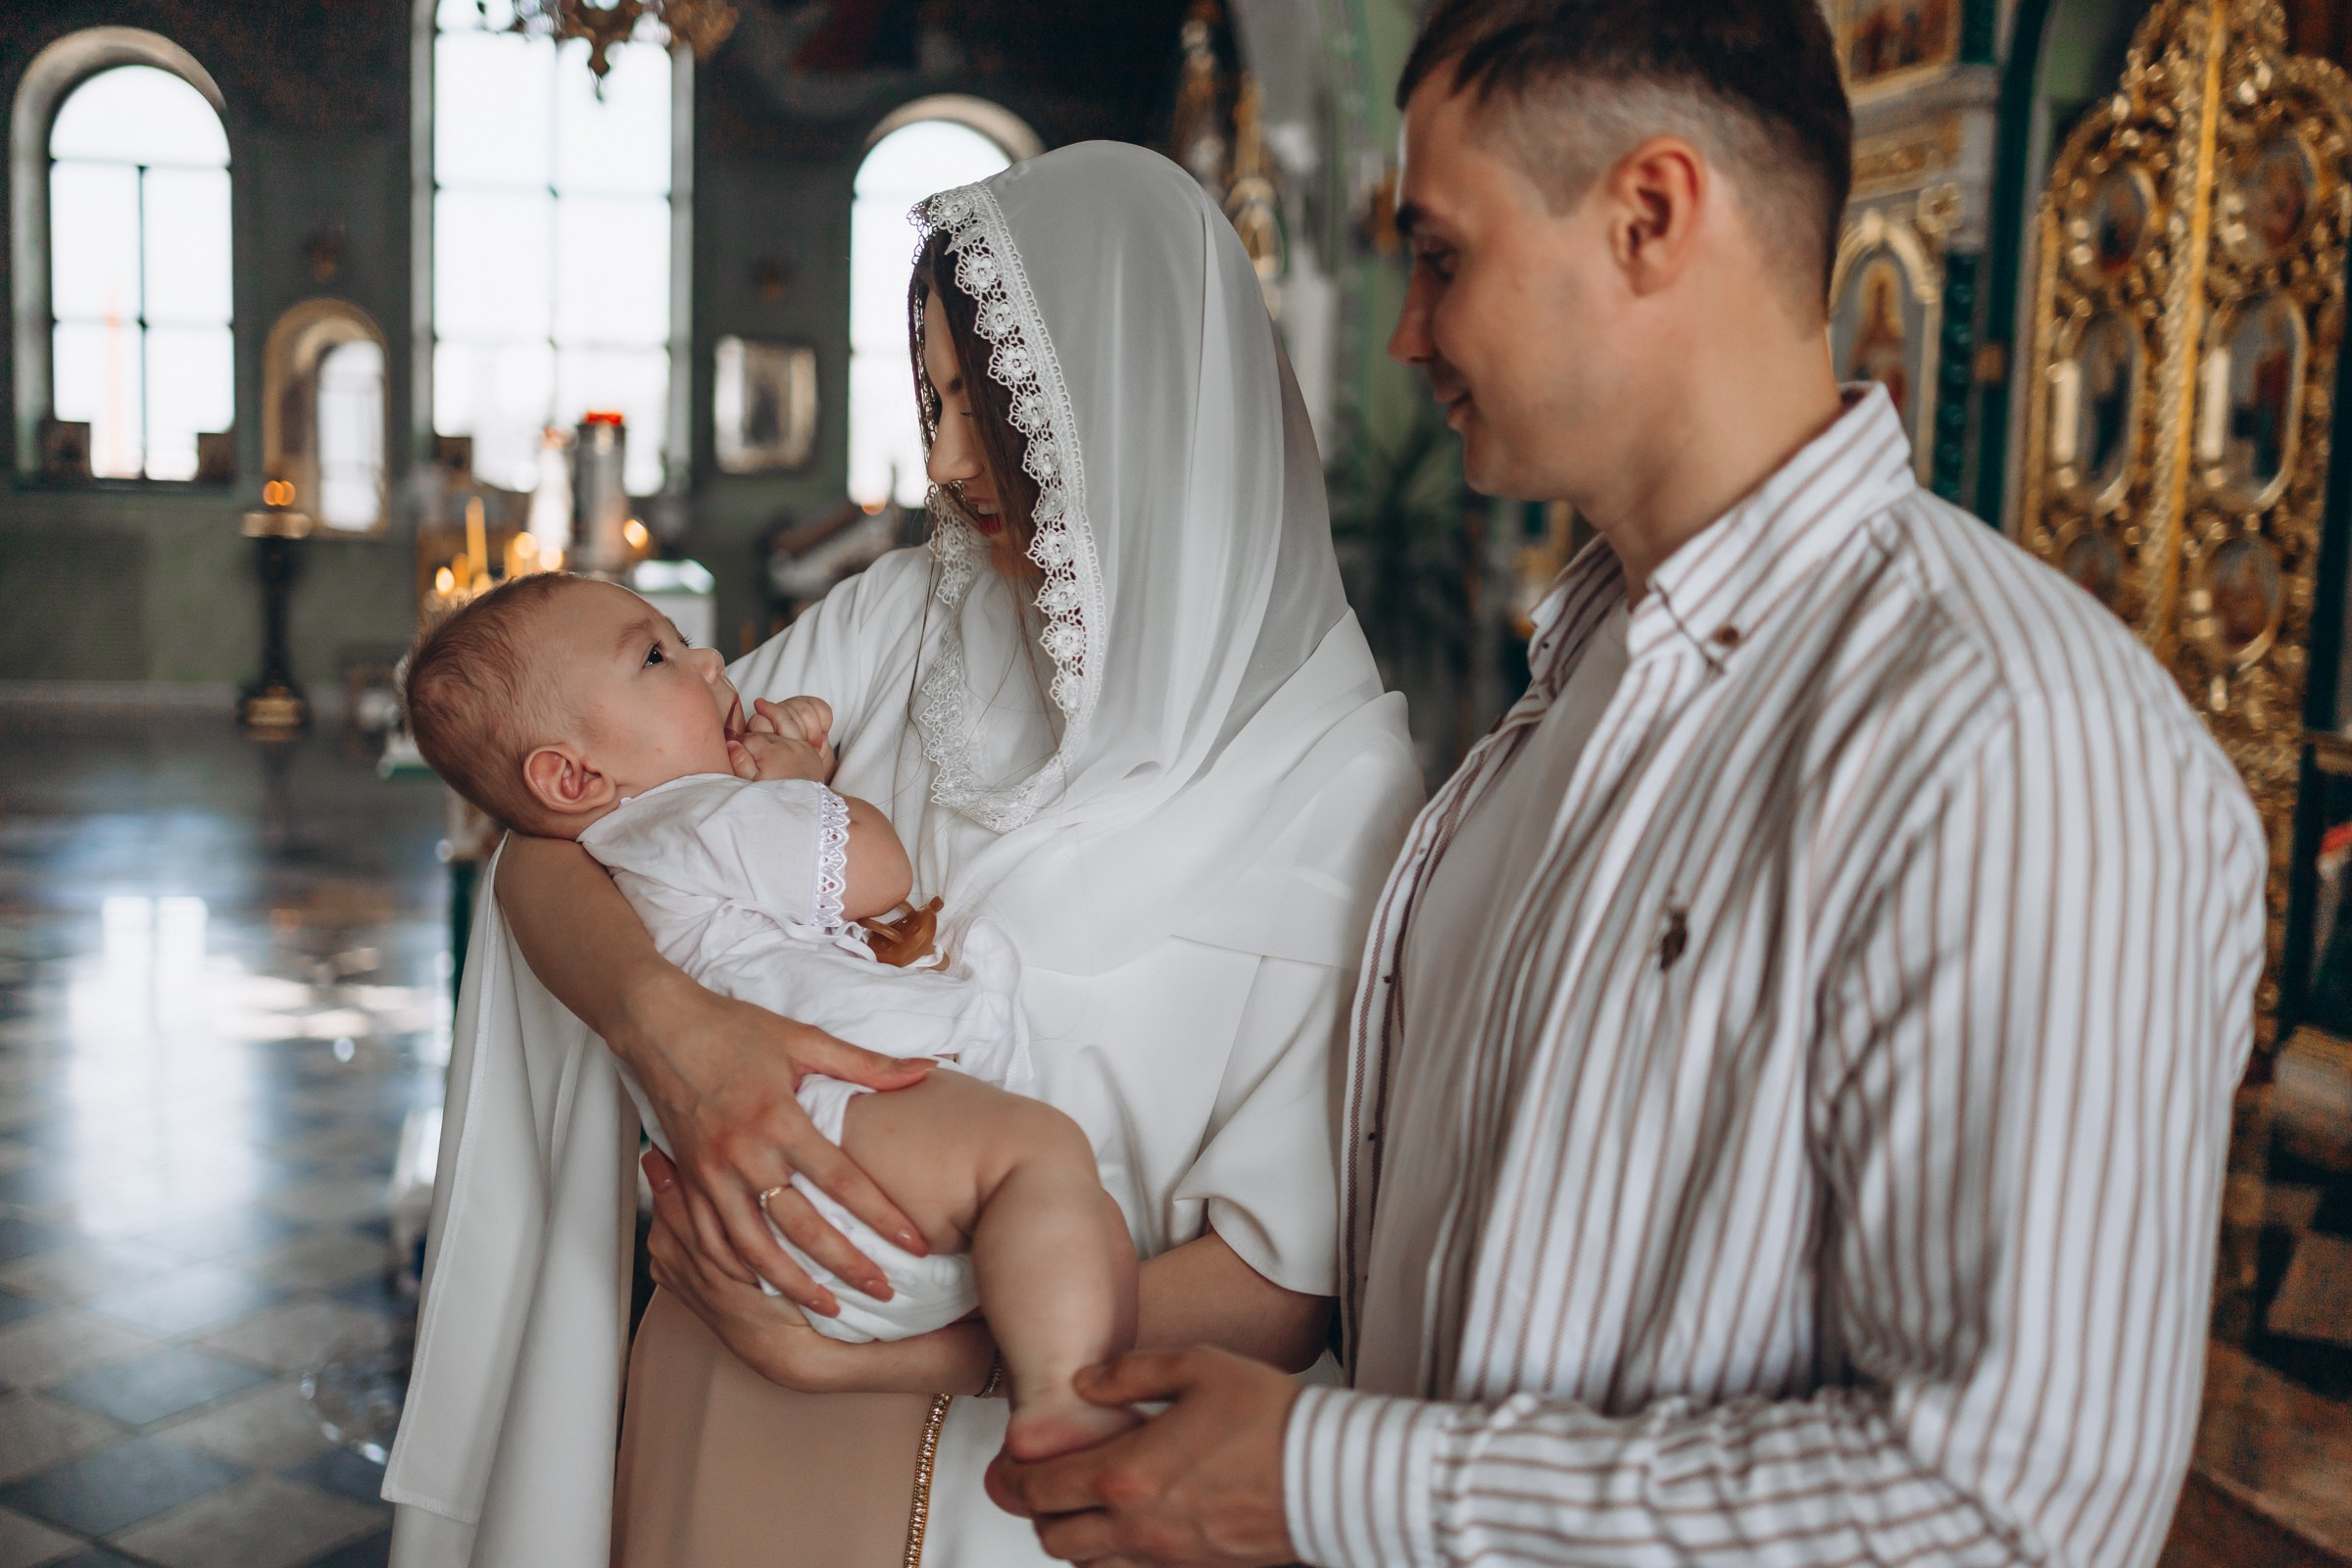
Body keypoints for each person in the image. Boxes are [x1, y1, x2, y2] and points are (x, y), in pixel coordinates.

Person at [984, 4, 2268, 1566]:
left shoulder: (2007, 738)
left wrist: (1330, 1484)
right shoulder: (1574, 694)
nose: (1406, 335)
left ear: (1651, 216)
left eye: (1442, 256)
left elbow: (2009, 1509)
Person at [382, 139, 1424, 1568]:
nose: (940, 462)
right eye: (928, 402)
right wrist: (675, 1030)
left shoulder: (1341, 786)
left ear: (1128, 406)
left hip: (1020, 1501)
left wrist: (882, 1358)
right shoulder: (904, 620)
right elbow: (559, 844)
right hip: (716, 1406)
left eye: (983, 409)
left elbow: (1273, 1286)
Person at [400, 571, 1141, 1460]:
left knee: (1073, 1213)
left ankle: (1061, 1380)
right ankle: (1064, 1411)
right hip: (827, 1127)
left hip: (805, 1195)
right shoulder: (692, 817)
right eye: (657, 654)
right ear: (572, 775)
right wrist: (798, 783)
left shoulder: (637, 837)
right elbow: (876, 872)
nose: (710, 660)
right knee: (1045, 1158)